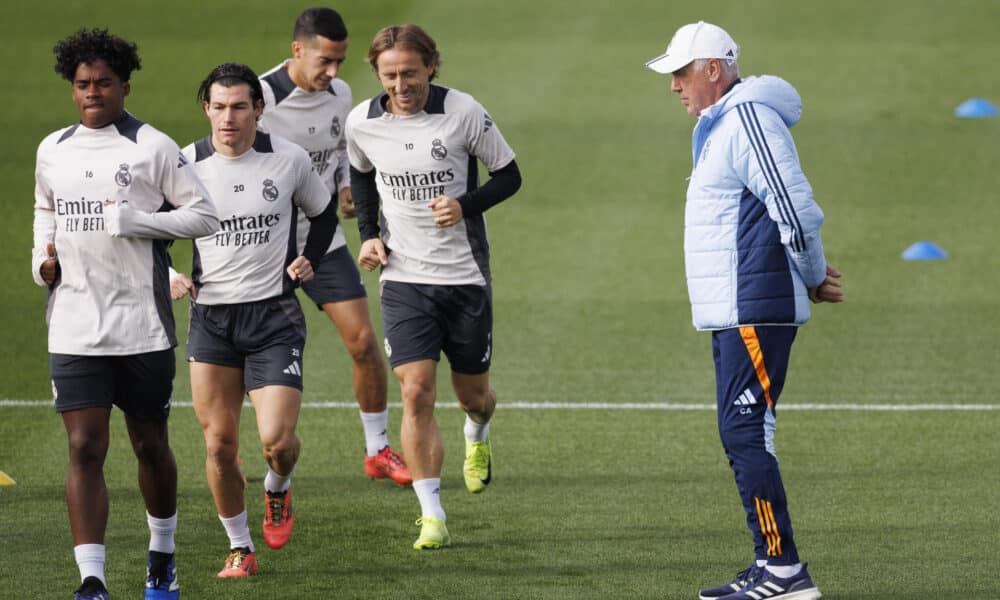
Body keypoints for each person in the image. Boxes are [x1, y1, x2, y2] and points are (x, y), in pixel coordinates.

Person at [645, 21, 843, 600]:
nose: (674, 86)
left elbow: (795, 207)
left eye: (681, 73)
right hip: (736, 308)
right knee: (744, 432)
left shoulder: (749, 121)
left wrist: (809, 276)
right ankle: (773, 565)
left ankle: (784, 572)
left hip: (754, 306)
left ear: (713, 69)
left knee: (745, 430)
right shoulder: (725, 123)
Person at [32, 28, 219, 600]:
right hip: (74, 324)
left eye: (103, 84)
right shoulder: (52, 149)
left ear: (124, 86)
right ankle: (92, 580)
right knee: (85, 447)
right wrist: (42, 262)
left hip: (141, 326)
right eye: (83, 84)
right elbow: (45, 208)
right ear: (73, 88)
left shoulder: (151, 148)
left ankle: (161, 553)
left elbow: (205, 217)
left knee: (149, 446)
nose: (92, 93)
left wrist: (142, 221)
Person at [345, 23, 522, 550]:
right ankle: (433, 514)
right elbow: (360, 176)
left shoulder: (463, 111)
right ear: (377, 74)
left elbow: (510, 175)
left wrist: (464, 205)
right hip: (404, 279)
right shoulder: (362, 122)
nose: (401, 85)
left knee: (474, 396)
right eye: (390, 75)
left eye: (411, 74)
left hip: (465, 276)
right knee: (416, 390)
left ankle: (478, 433)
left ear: (431, 67)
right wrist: (370, 237)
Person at [169, 63, 337, 577]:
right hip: (213, 320)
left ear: (258, 110)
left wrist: (313, 257)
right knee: (219, 446)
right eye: (218, 107)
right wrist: (169, 273)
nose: (228, 117)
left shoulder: (287, 160)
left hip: (274, 317)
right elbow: (148, 228)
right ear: (206, 109)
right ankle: (240, 547)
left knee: (277, 443)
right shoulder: (184, 163)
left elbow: (324, 212)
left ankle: (277, 488)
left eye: (239, 106)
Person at [257, 6, 411, 485]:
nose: (334, 72)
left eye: (340, 61)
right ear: (297, 50)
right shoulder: (257, 98)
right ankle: (235, 450)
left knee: (364, 341)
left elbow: (342, 152)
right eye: (325, 60)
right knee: (249, 356)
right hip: (264, 251)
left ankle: (378, 449)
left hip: (320, 243)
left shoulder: (339, 94)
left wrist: (344, 186)